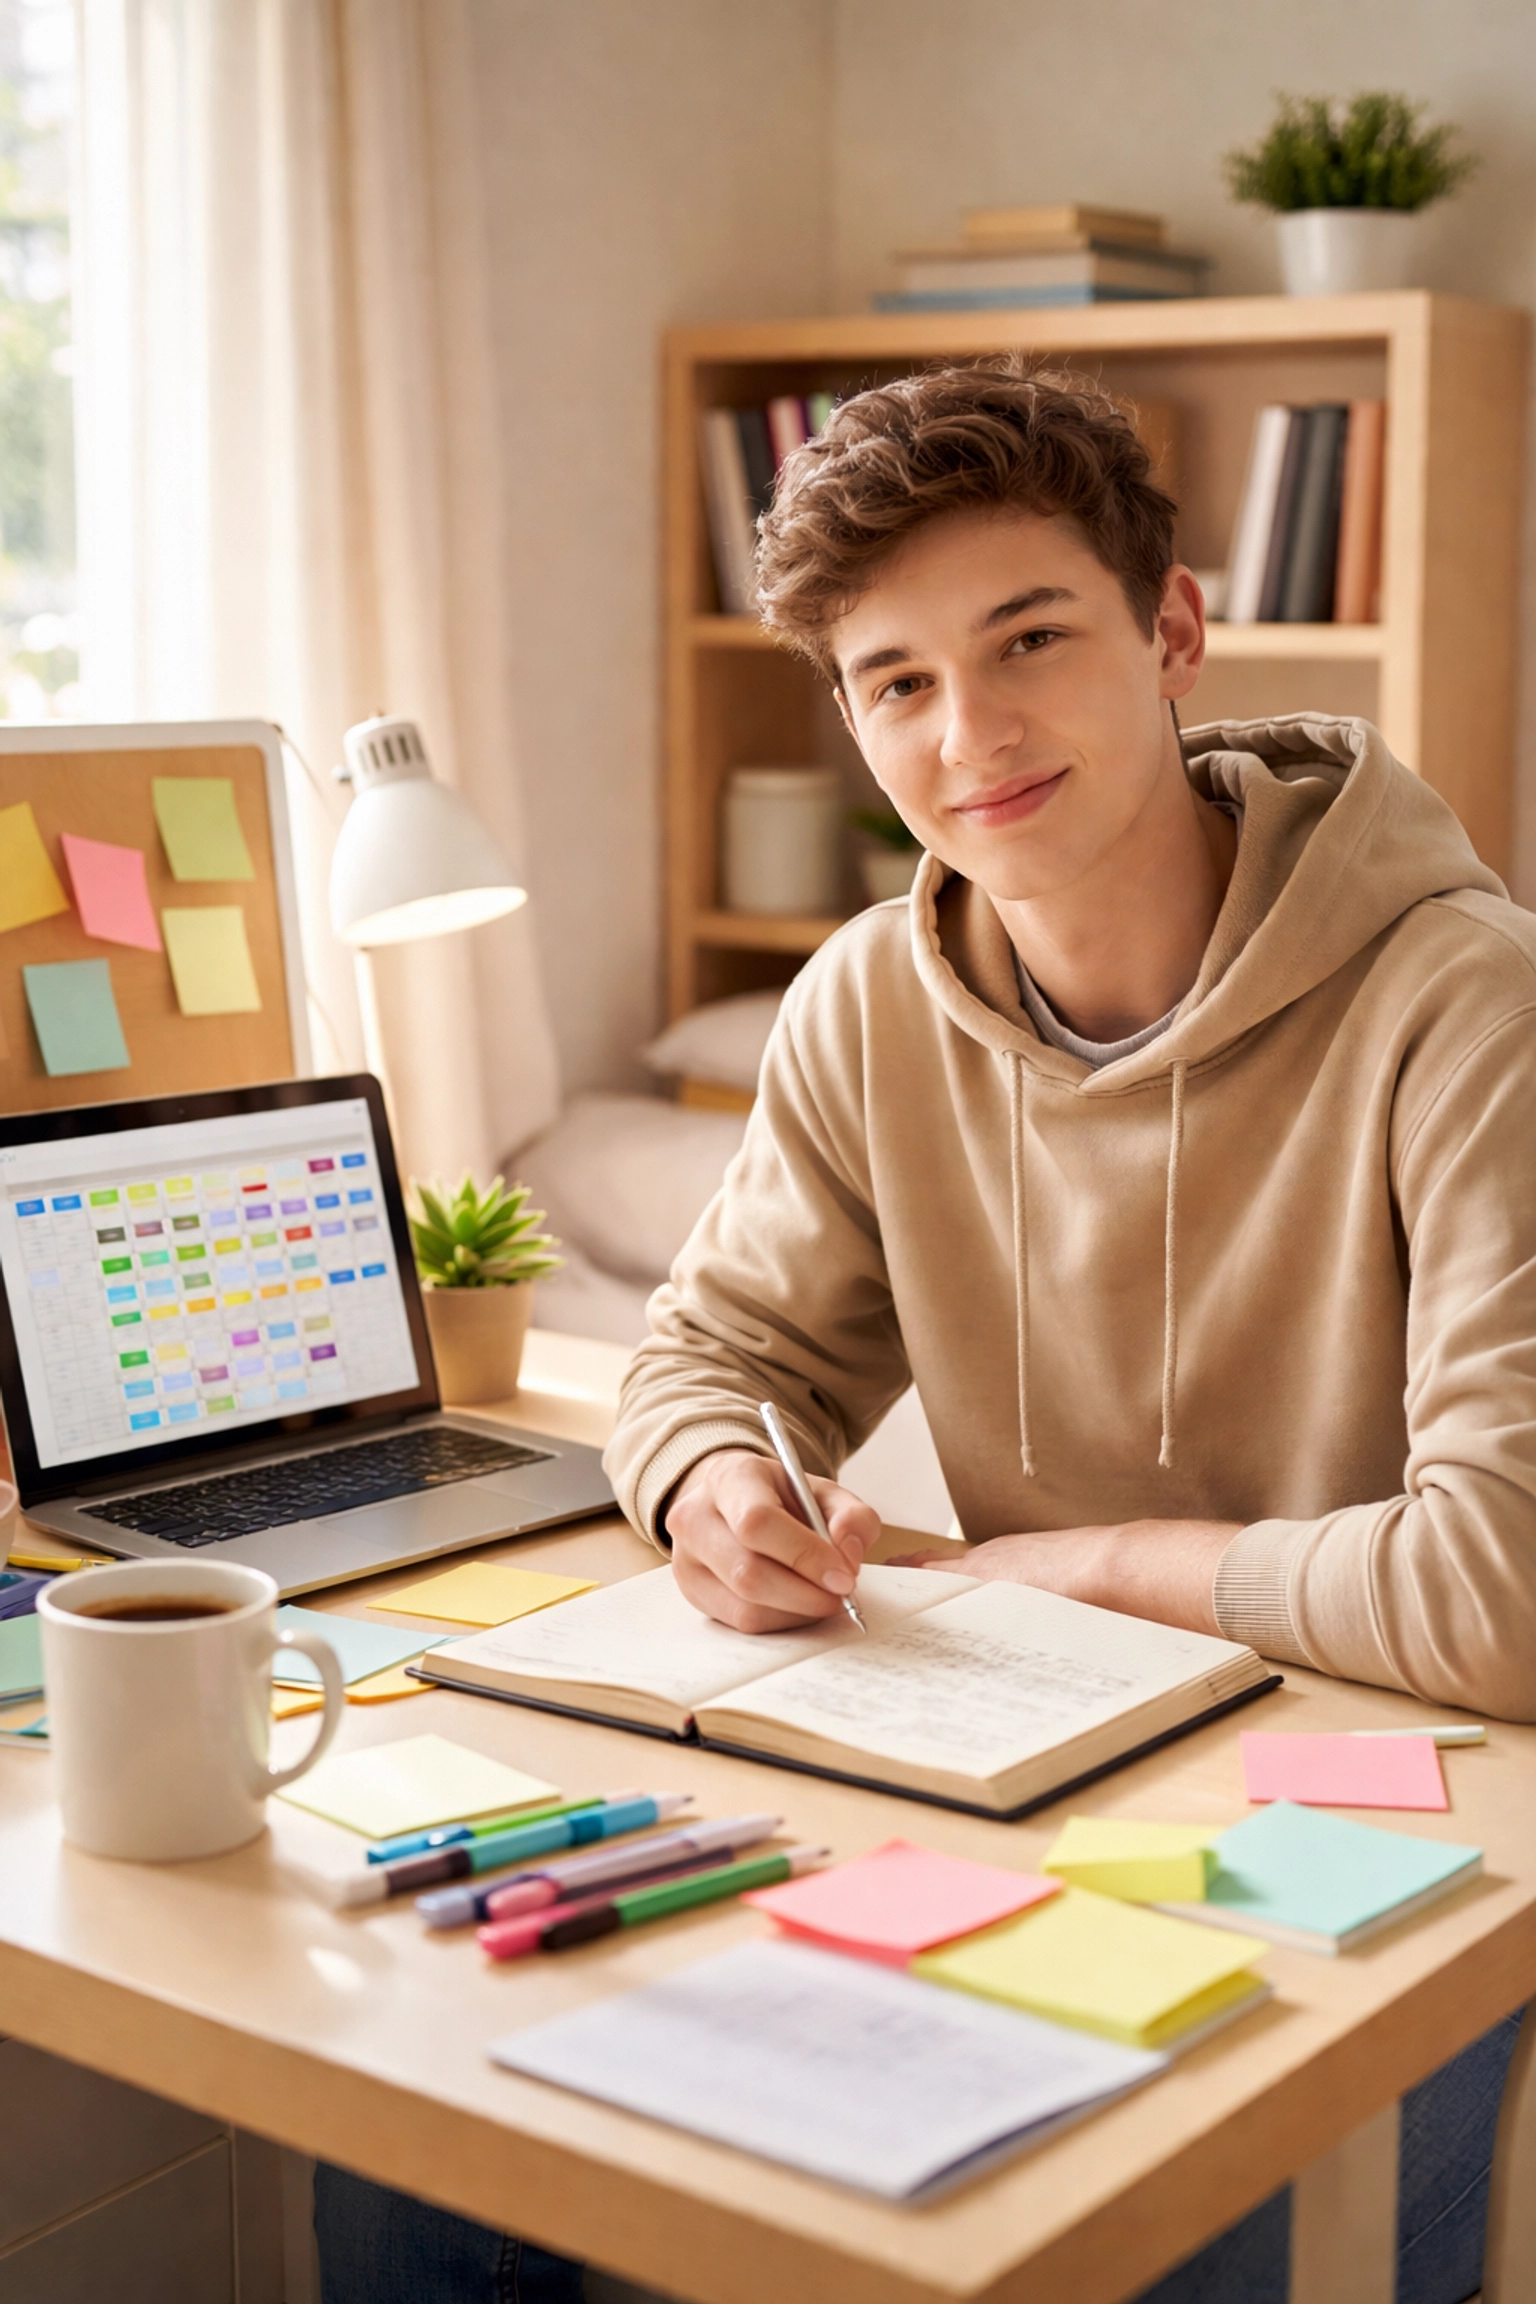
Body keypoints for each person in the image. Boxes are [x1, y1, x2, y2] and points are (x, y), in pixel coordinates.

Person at [318, 362, 1531, 2303]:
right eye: (895, 682)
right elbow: (707, 1355)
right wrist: (715, 1484)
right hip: (1008, 1785)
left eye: (1029, 639)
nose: (968, 735)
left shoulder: (1467, 1010)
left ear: (1177, 630)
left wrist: (1104, 1567)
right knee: (430, 2137)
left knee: (1114, 2253)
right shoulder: (872, 997)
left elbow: (1510, 1587)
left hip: (1380, 1846)